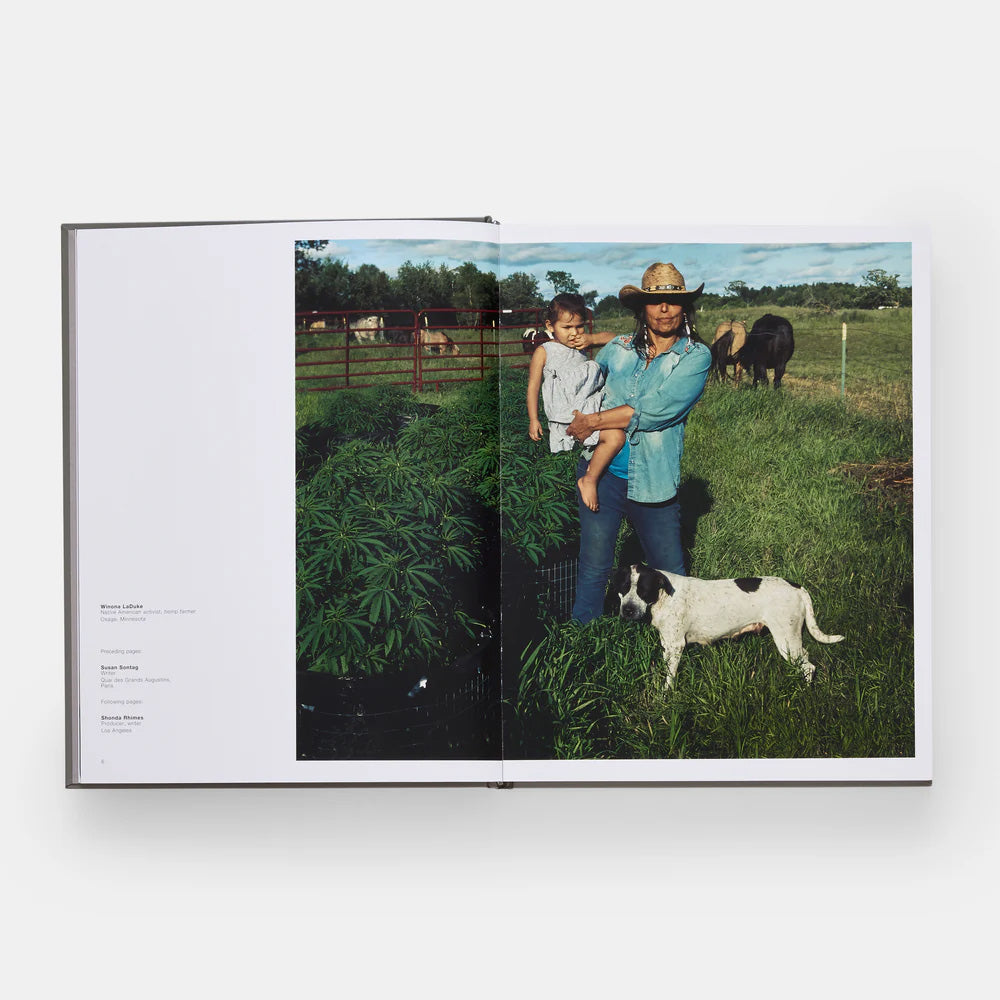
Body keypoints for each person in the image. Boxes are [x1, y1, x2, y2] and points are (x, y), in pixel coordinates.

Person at [563, 263, 712, 624]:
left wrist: (592, 422)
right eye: (655, 301)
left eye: (673, 302)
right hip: (602, 475)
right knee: (594, 566)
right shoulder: (618, 348)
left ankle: (681, 640)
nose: (664, 310)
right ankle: (582, 639)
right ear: (641, 308)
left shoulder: (695, 357)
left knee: (671, 572)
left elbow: (657, 410)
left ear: (685, 308)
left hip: (654, 482)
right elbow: (588, 385)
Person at [526, 293, 626, 511]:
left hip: (589, 410)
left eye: (579, 327)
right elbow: (533, 386)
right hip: (567, 416)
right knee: (616, 437)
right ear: (550, 326)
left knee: (618, 435)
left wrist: (592, 339)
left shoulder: (582, 345)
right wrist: (534, 419)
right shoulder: (544, 351)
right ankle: (589, 480)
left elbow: (617, 339)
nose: (574, 333)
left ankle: (600, 479)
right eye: (567, 327)